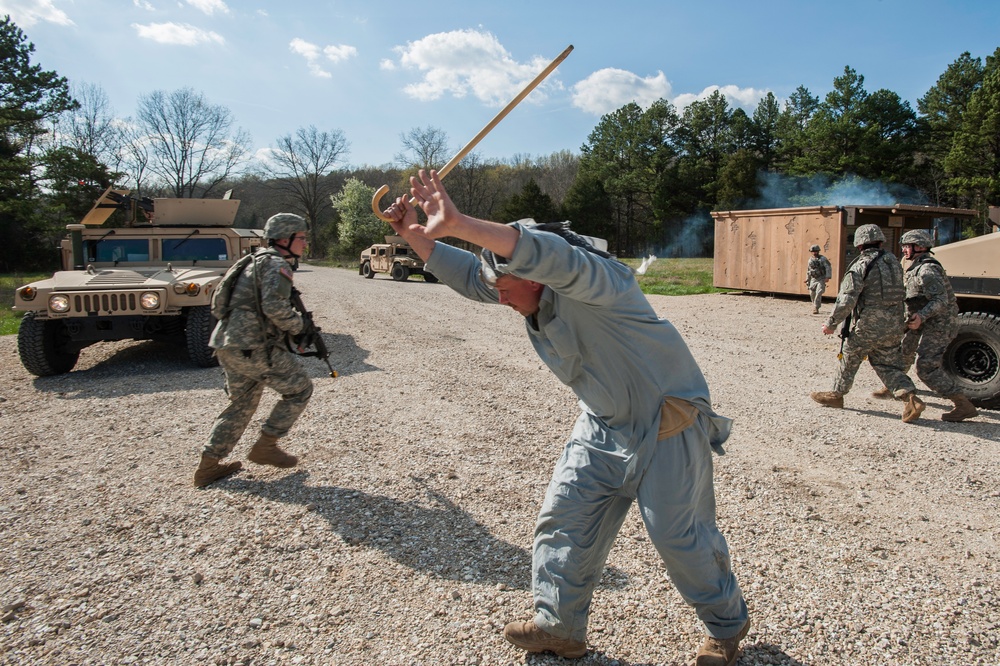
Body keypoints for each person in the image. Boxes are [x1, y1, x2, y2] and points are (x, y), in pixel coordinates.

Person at [382, 170, 749, 666]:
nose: (501, 297)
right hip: (600, 424)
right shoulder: (519, 286)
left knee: (679, 538)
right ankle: (560, 627)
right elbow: (474, 279)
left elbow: (560, 261)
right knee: (562, 522)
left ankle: (726, 628)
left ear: (535, 273)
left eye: (508, 285)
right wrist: (412, 231)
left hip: (668, 425)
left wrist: (464, 223)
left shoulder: (606, 284)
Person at [193, 213, 314, 488]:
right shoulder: (276, 264)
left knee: (241, 404)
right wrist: (299, 327)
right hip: (252, 345)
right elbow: (275, 307)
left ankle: (208, 466)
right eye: (302, 238)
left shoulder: (252, 261)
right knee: (300, 389)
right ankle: (266, 446)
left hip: (227, 343)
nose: (305, 243)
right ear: (285, 239)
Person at [811, 224, 925, 422]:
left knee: (850, 354)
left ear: (859, 244)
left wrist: (831, 323)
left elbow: (846, 299)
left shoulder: (861, 265)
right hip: (895, 324)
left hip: (870, 325)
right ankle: (911, 397)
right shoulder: (893, 262)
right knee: (886, 364)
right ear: (880, 241)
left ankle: (836, 395)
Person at [872, 230, 977, 421]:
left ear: (919, 247)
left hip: (940, 323)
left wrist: (921, 316)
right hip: (923, 320)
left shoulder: (927, 270)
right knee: (903, 351)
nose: (903, 249)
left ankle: (963, 405)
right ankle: (895, 386)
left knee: (926, 367)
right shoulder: (915, 267)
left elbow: (940, 299)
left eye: (907, 246)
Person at [805, 244, 832, 314]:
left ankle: (816, 307)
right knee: (812, 293)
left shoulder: (823, 259)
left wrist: (827, 277)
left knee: (819, 292)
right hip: (814, 278)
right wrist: (807, 279)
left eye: (816, 251)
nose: (814, 253)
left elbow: (828, 267)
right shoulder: (810, 260)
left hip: (821, 278)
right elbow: (808, 270)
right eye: (813, 251)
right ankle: (814, 304)